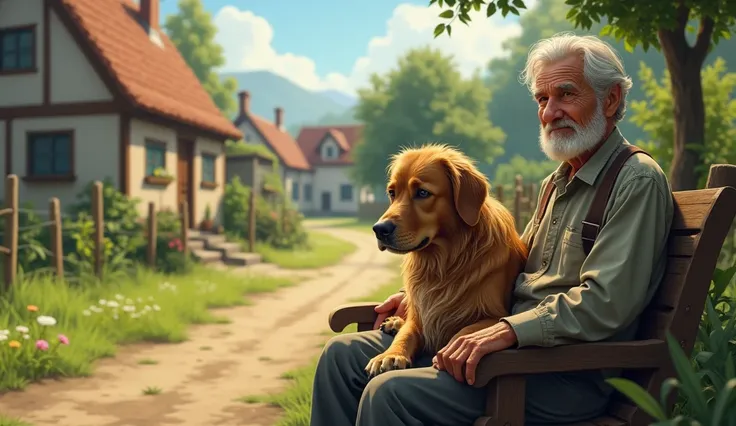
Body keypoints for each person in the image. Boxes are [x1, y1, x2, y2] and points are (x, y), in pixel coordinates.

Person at [310, 32, 674, 426]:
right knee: (340, 358)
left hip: (562, 373)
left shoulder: (635, 180)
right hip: (512, 353)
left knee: (391, 394)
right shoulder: (562, 180)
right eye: (542, 99)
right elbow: (518, 265)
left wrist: (506, 331)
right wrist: (430, 294)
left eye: (566, 94)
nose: (551, 112)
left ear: (612, 99)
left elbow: (607, 304)